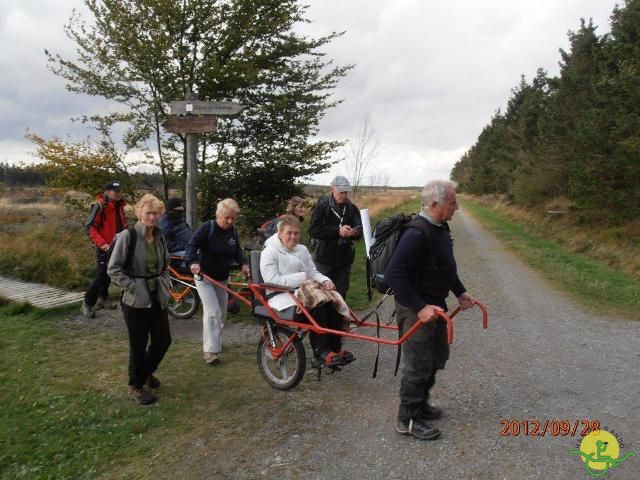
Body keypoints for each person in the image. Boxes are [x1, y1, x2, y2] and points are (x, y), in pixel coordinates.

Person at [385, 180, 478, 441]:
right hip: (417, 309)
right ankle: (408, 419)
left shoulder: (439, 227)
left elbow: (444, 266)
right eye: (452, 203)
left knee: (436, 357)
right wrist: (419, 306)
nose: (457, 207)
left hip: (435, 305)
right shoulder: (416, 233)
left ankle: (421, 405)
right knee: (417, 364)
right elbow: (394, 274)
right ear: (435, 205)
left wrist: (459, 291)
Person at [260, 215, 354, 367]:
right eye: (289, 233)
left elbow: (312, 272)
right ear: (279, 233)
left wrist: (325, 280)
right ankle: (321, 352)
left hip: (303, 291)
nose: (293, 236)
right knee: (317, 305)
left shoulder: (302, 250)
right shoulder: (269, 252)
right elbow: (271, 281)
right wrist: (301, 278)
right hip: (280, 295)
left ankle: (334, 349)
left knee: (332, 303)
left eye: (296, 233)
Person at [107, 194, 172, 405]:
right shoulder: (129, 236)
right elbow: (114, 269)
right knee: (138, 343)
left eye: (156, 213)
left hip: (157, 294)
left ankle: (144, 372)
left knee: (163, 340)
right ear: (139, 214)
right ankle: (136, 386)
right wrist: (132, 286)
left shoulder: (160, 236)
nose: (153, 217)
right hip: (135, 299)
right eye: (148, 213)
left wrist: (164, 280)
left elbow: (165, 263)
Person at [186, 198, 250, 366]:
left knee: (221, 313)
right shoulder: (208, 228)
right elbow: (191, 246)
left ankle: (215, 341)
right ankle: (210, 351)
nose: (229, 221)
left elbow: (237, 250)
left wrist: (244, 263)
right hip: (204, 277)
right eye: (226, 217)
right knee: (212, 312)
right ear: (219, 215)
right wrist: (193, 262)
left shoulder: (233, 231)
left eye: (233, 218)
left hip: (222, 277)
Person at [309, 176, 362, 300]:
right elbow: (314, 230)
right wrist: (338, 231)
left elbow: (360, 230)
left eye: (346, 192)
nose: (343, 195)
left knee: (341, 293)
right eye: (341, 192)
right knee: (322, 293)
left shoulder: (352, 208)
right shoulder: (322, 206)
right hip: (324, 258)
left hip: (344, 259)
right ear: (332, 189)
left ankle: (338, 318)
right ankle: (322, 319)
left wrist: (355, 233)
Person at [81, 180, 127, 318]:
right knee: (102, 275)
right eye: (116, 191)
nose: (119, 193)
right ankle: (87, 303)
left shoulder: (119, 206)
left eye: (120, 191)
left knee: (109, 273)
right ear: (107, 192)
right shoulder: (100, 206)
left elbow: (122, 226)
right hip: (104, 247)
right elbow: (90, 227)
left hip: (117, 245)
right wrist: (102, 244)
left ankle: (103, 299)